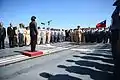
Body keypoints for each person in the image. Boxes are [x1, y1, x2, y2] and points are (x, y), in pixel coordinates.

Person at [110, 0, 120, 79]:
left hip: (117, 31)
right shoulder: (117, 9)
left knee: (117, 53)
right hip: (115, 31)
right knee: (115, 52)